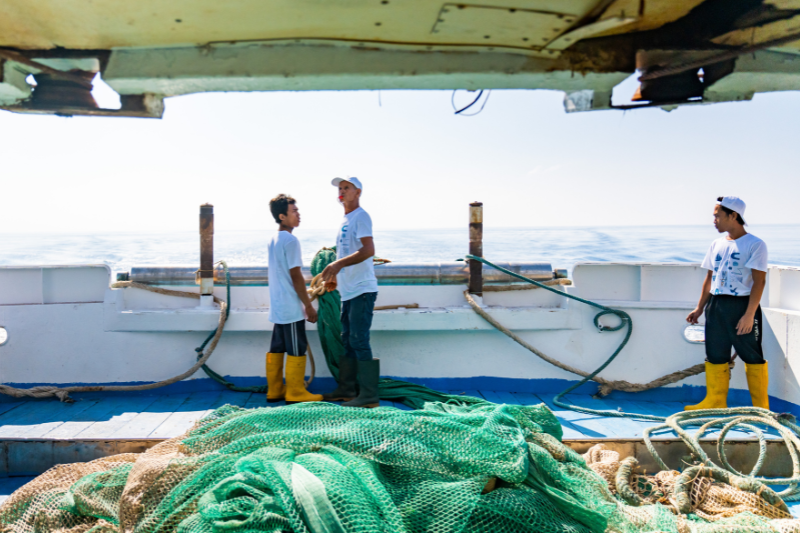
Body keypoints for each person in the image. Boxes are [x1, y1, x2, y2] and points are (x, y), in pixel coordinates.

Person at [685, 196, 769, 411]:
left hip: (741, 306)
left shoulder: (755, 244)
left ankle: (761, 408)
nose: (714, 220)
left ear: (733, 215)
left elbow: (759, 282)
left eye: (717, 216)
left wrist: (749, 315)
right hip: (717, 304)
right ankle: (715, 402)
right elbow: (709, 278)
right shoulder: (717, 244)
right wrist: (700, 307)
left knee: (752, 356)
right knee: (715, 353)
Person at [321, 177, 380, 408]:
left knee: (359, 340)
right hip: (348, 290)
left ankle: (369, 396)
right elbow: (345, 252)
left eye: (347, 188)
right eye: (340, 188)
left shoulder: (361, 216)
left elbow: (368, 250)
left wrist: (337, 266)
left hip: (362, 289)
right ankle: (346, 389)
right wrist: (336, 276)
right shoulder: (346, 219)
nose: (342, 191)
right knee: (347, 339)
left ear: (358, 192)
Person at [265, 194, 322, 404]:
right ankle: (295, 392)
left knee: (277, 347)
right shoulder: (290, 240)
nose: (298, 215)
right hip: (290, 306)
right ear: (282, 216)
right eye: (294, 211)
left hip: (278, 305)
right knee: (296, 347)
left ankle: (275, 390)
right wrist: (308, 305)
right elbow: (296, 276)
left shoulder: (274, 239)